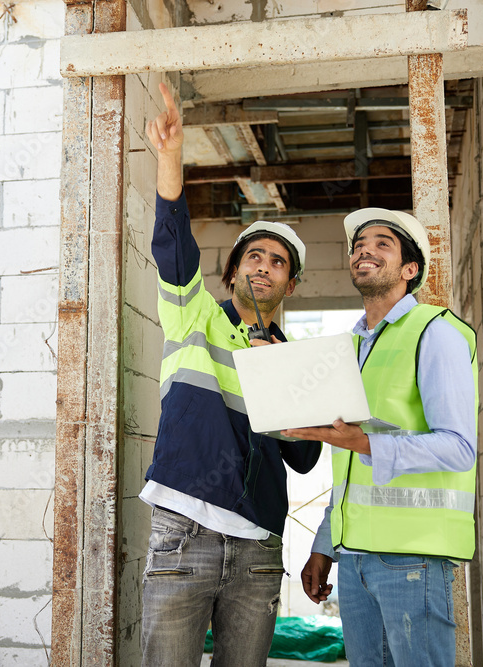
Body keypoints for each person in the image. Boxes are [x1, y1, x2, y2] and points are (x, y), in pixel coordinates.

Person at [140, 81, 322, 667]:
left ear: (290, 285)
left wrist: (292, 397)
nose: (264, 267)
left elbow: (303, 460)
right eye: (253, 256)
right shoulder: (195, 317)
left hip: (261, 548)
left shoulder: (294, 356)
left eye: (277, 262)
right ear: (232, 274)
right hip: (184, 532)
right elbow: (173, 249)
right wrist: (171, 160)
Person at [283, 208, 479, 667]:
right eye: (358, 245)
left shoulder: (436, 332)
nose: (363, 249)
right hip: (354, 560)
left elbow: (459, 447)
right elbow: (349, 469)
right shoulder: (349, 349)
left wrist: (363, 443)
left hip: (414, 558)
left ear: (410, 270)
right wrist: (323, 546)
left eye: (381, 243)